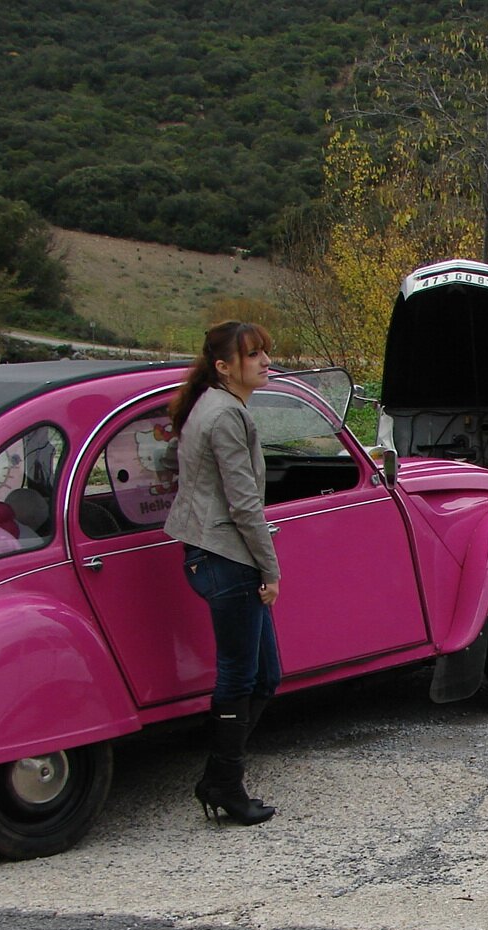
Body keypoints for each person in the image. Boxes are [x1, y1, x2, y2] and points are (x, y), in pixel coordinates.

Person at [163, 321, 282, 826]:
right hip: (226, 556)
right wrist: (270, 567)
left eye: (263, 353)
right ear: (224, 366)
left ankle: (218, 776)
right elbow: (244, 505)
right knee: (240, 674)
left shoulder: (211, 407)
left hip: (215, 552)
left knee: (266, 674)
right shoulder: (226, 415)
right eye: (252, 355)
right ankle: (226, 784)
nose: (262, 361)